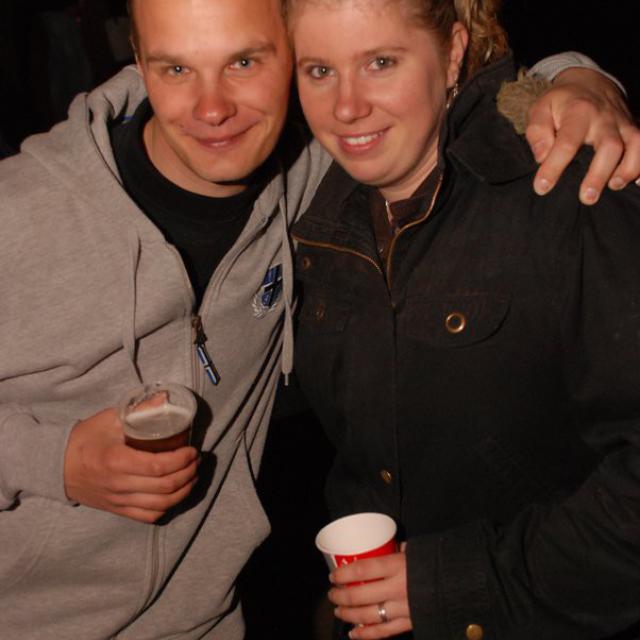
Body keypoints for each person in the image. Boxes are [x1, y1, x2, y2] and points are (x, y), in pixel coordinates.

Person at [0, 0, 636, 637]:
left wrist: (576, 78)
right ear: (139, 65)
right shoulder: (25, 211)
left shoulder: (326, 178)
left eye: (244, 63)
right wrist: (53, 460)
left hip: (204, 623)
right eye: (321, 71)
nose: (213, 109)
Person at [286, 0, 640, 639]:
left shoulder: (565, 189)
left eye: (381, 62)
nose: (346, 107)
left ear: (452, 53)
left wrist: (456, 584)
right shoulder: (317, 214)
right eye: (318, 71)